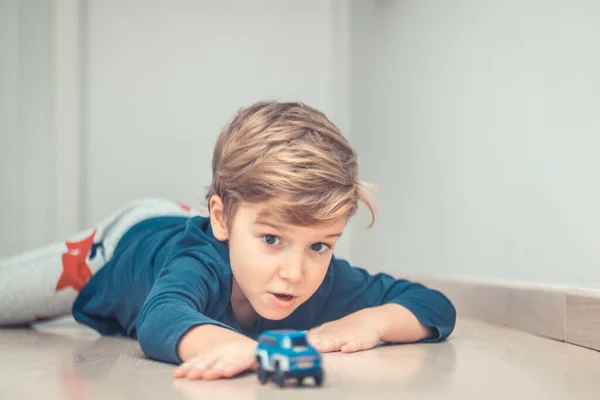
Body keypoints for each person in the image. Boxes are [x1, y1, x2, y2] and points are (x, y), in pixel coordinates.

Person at [0, 101, 456, 381]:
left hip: (202, 221)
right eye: (273, 239)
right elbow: (161, 318)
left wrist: (373, 322)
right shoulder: (198, 264)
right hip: (121, 246)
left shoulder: (323, 277)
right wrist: (241, 349)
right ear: (222, 219)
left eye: (320, 245)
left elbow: (433, 305)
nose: (295, 273)